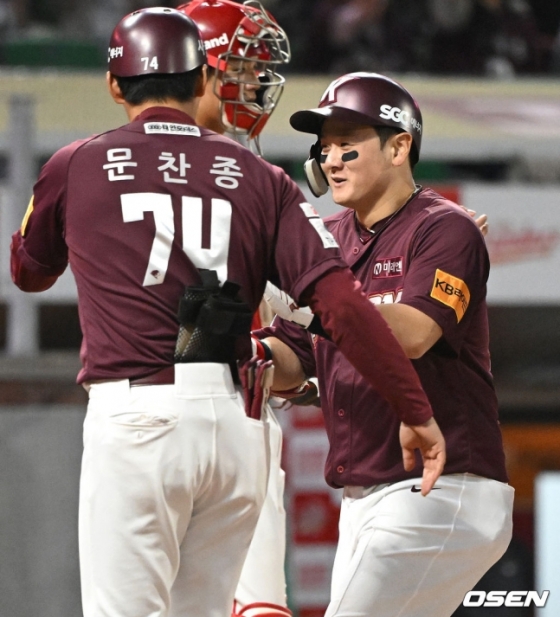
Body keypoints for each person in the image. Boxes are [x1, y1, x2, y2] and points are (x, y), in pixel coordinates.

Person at [10, 10, 445, 617]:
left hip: (137, 416)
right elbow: (341, 304)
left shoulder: (77, 162)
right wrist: (414, 408)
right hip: (236, 422)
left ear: (112, 85)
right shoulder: (263, 177)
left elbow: (29, 273)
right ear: (200, 82)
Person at [255, 72, 514, 617]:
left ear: (398, 147)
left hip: (441, 489)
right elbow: (294, 355)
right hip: (364, 497)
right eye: (324, 148)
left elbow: (415, 334)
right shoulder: (326, 237)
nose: (331, 160)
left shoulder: (446, 228)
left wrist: (307, 303)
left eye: (347, 145)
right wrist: (246, 355)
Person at [175, 2, 291, 616]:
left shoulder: (109, 159)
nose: (254, 85)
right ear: (200, 70)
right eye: (241, 68)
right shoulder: (247, 175)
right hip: (222, 407)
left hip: (143, 414)